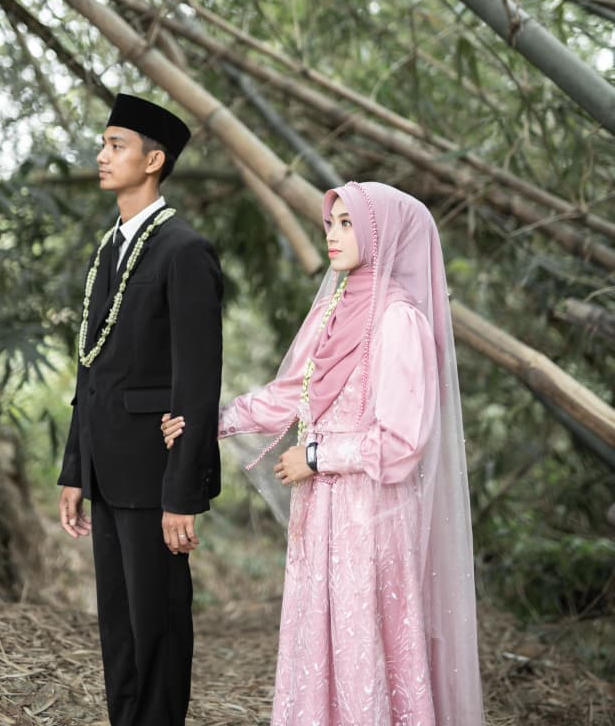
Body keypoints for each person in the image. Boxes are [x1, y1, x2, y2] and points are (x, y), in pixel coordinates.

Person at [163, 180, 484, 725]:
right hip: (320, 514)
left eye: (347, 223)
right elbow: (288, 395)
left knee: (363, 642)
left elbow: (402, 442)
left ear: (382, 235)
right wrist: (208, 422)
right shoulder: (333, 310)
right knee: (320, 641)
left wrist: (315, 457)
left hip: (373, 516)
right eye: (330, 223)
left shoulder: (399, 320)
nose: (332, 235)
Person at [58, 92, 223, 726]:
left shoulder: (184, 250)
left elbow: (197, 380)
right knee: (120, 632)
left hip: (156, 475)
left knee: (158, 629)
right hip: (106, 470)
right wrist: (75, 469)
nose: (102, 156)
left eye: (116, 145)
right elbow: (91, 367)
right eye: (103, 144)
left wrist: (183, 492)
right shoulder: (108, 249)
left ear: (153, 160)